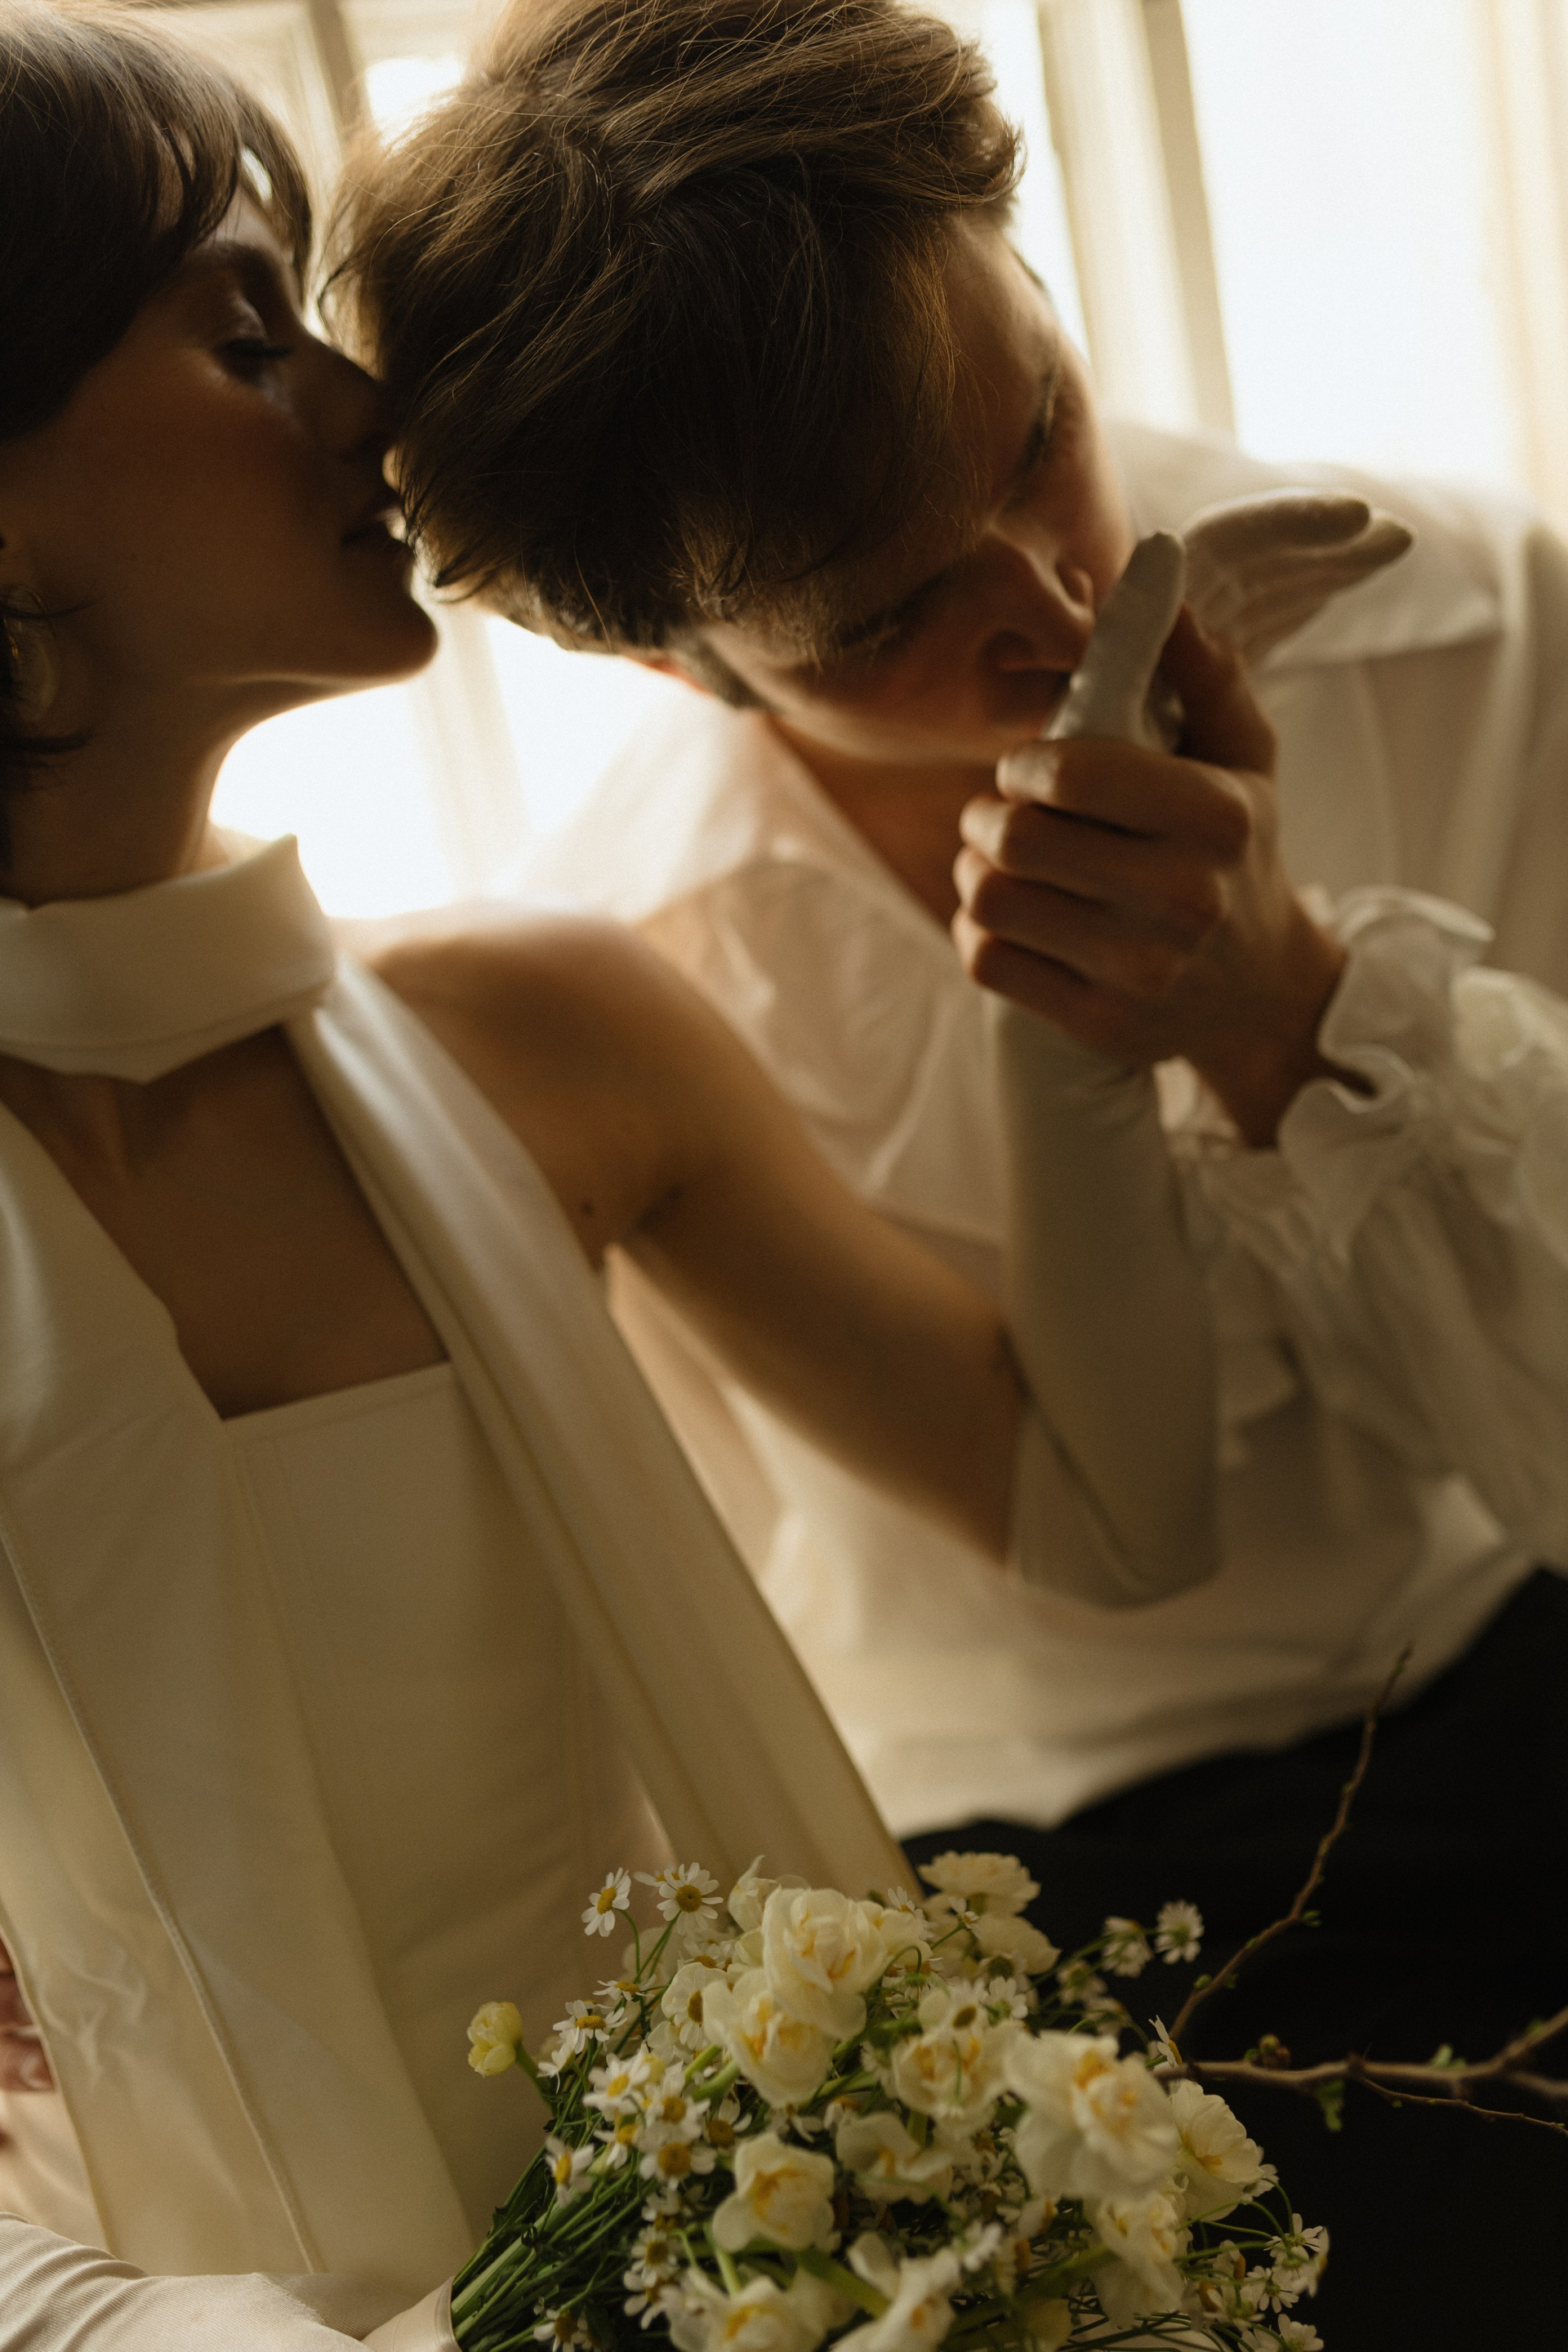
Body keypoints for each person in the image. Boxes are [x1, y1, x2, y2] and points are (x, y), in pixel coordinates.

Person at [0, 5, 1243, 2343]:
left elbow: (1120, 1521)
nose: (371, 406)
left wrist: (1080, 977)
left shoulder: (545, 1029)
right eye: (246, 338)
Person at [338, 0, 1568, 2338]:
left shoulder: (1488, 639)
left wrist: (1291, 1010)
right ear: (684, 663)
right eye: (888, 617)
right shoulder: (629, 978)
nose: (1057, 601)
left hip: (1525, 1645)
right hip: (1053, 1872)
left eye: (1043, 433)